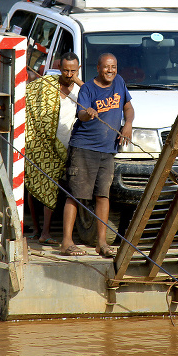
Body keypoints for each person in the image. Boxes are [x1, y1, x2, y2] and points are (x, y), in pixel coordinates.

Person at [60, 53, 134, 258]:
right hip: (84, 149)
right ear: (98, 68)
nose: (110, 71)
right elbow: (81, 114)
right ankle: (67, 242)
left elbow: (128, 106)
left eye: (114, 66)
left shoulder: (119, 82)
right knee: (76, 195)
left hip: (108, 150)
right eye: (106, 67)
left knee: (103, 195)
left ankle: (101, 243)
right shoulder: (87, 89)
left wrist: (127, 124)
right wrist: (88, 112)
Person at [25, 52, 83, 245]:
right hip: (42, 142)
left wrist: (80, 82)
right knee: (36, 183)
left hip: (66, 145)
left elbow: (96, 96)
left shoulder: (82, 90)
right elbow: (27, 95)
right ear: (59, 68)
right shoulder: (47, 84)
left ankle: (47, 231)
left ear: (78, 69)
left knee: (57, 187)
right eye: (65, 70)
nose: (69, 74)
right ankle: (38, 229)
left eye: (73, 71)